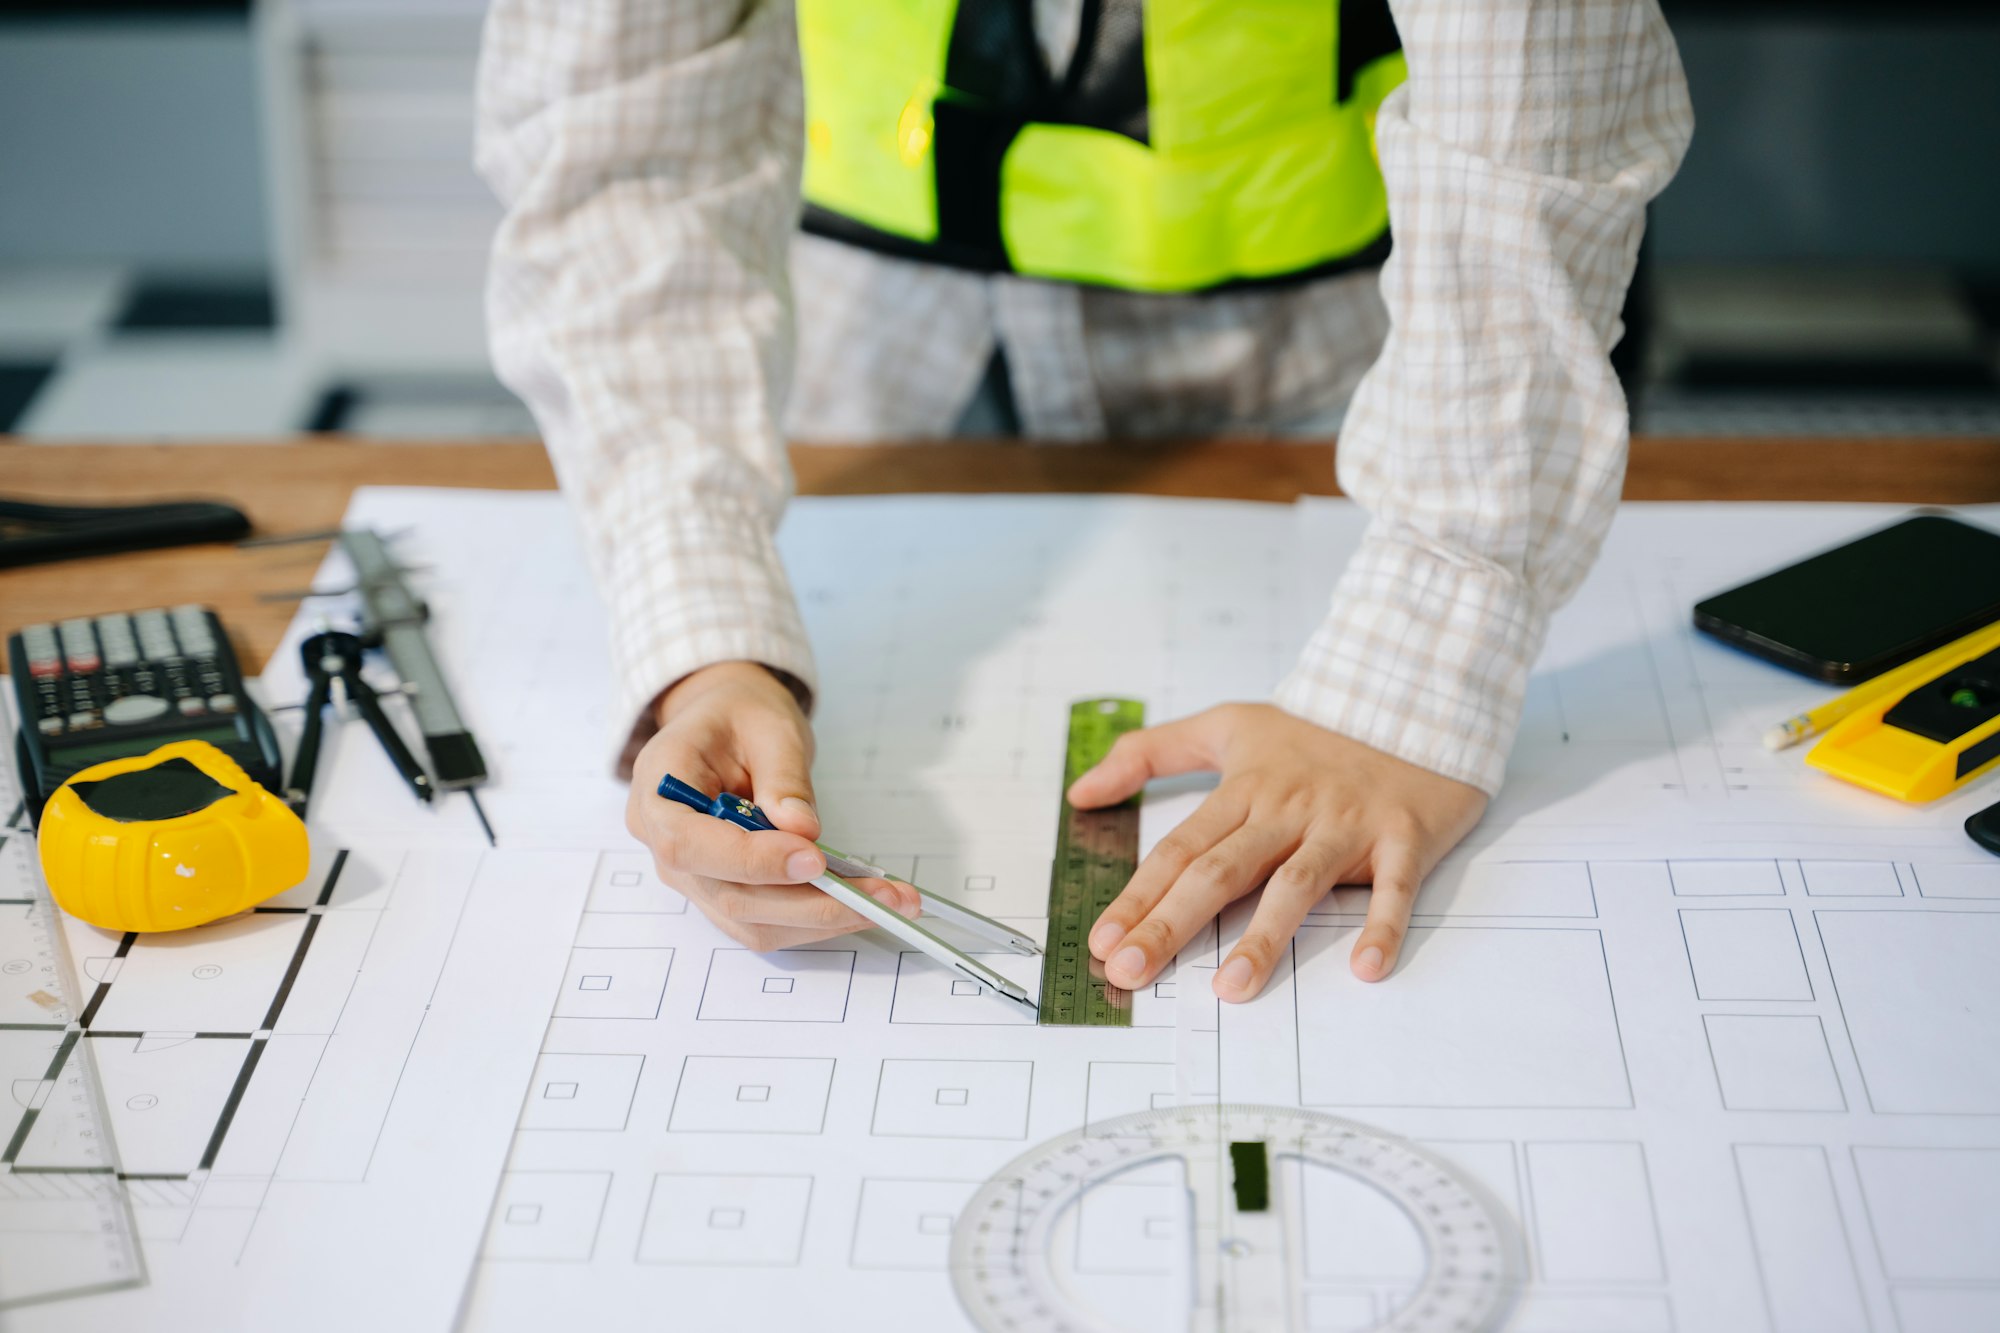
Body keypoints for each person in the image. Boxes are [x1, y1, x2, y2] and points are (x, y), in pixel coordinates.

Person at [475, 0, 1692, 1003]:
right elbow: (614, 161)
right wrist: (704, 637)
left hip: (1326, 347)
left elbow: (1544, 107)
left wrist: (1419, 663)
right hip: (872, 339)